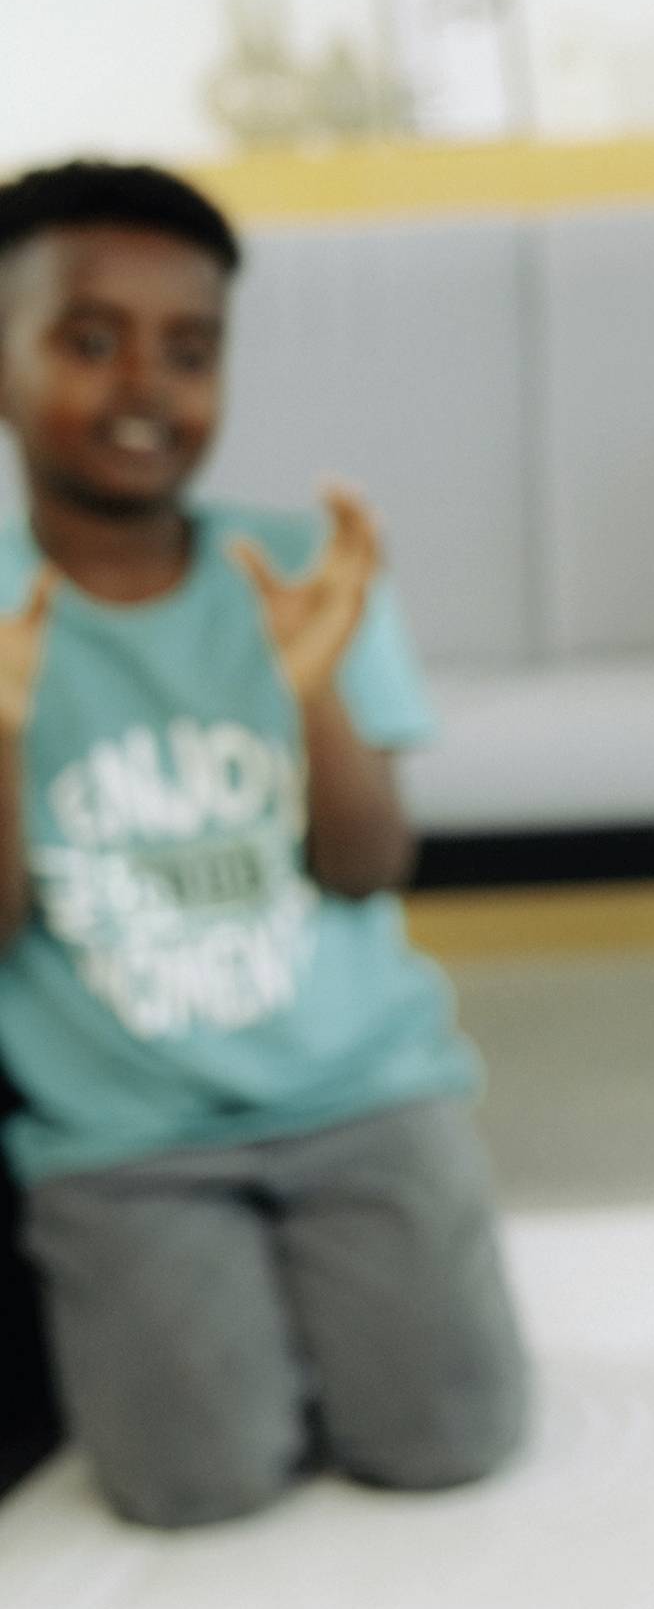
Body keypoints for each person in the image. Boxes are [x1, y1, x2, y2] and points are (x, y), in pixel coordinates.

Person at [0, 160, 525, 1528]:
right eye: (87, 338)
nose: (143, 390)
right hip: (125, 1134)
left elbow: (364, 864)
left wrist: (311, 689)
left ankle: (348, 1289)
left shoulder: (303, 570)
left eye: (191, 350)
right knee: (194, 1481)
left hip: (362, 1094)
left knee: (445, 1442)